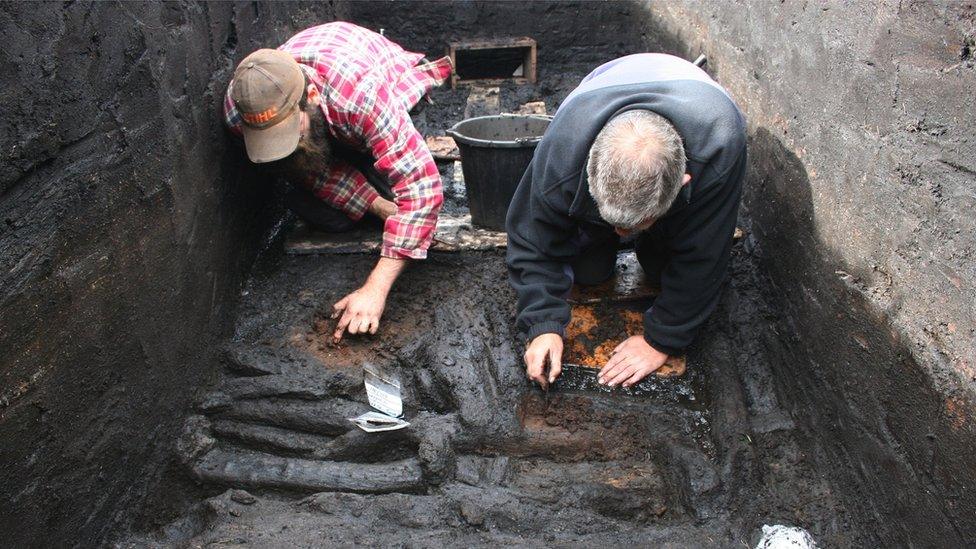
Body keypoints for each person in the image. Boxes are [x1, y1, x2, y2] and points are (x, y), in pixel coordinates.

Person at [506, 53, 746, 389]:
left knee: (661, 268)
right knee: (589, 272)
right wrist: (543, 323)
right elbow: (534, 240)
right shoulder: (562, 152)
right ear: (587, 176)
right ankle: (617, 224)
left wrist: (661, 340)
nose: (621, 235)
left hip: (692, 94)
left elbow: (706, 254)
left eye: (631, 226)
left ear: (683, 185)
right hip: (599, 93)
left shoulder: (720, 145)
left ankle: (652, 236)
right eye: (614, 224)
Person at [223, 22, 453, 340]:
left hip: (385, 87)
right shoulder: (241, 112)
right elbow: (311, 173)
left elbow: (422, 188)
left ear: (312, 97)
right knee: (328, 213)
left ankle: (367, 167)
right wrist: (380, 207)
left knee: (407, 206)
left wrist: (375, 289)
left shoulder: (362, 97)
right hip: (332, 115)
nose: (278, 145)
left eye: (290, 132)